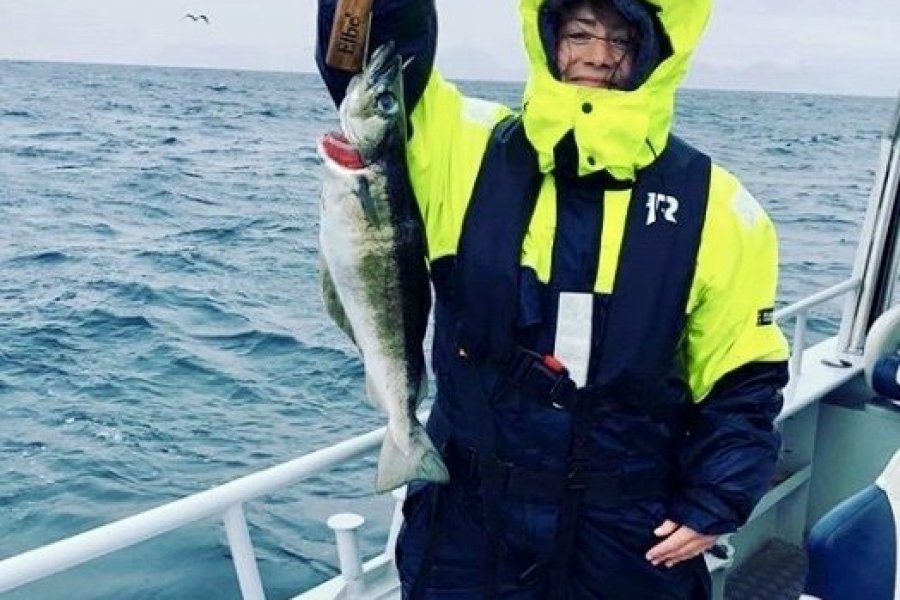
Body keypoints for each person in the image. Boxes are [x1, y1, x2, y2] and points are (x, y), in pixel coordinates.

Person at [316, 0, 790, 598]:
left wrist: (716, 496)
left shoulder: (719, 208)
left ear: (655, 52)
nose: (597, 56)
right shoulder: (464, 149)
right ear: (547, 36)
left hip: (628, 532)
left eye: (621, 41)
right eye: (579, 33)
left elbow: (744, 378)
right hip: (465, 515)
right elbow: (369, 61)